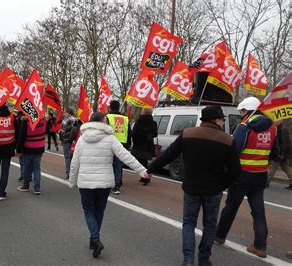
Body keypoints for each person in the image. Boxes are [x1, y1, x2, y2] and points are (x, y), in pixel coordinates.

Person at [146, 106, 241, 266]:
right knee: (210, 224)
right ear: (215, 120)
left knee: (189, 223)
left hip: (191, 188)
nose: (223, 121)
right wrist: (222, 184)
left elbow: (169, 155)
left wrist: (150, 169)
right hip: (213, 190)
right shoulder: (227, 140)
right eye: (222, 119)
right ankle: (204, 258)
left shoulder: (188, 134)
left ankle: (188, 259)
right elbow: (235, 171)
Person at [69, 112, 150, 258]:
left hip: (86, 182)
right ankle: (94, 239)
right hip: (104, 182)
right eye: (106, 121)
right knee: (99, 211)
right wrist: (142, 170)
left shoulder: (81, 139)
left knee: (88, 211)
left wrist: (72, 181)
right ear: (102, 122)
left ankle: (95, 239)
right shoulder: (110, 138)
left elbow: (75, 163)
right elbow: (126, 155)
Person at [215, 97, 279, 258]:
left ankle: (220, 236)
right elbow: (275, 153)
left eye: (242, 111)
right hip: (260, 176)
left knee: (230, 208)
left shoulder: (244, 127)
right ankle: (260, 246)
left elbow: (234, 150)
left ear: (247, 111)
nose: (241, 114)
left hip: (241, 175)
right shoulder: (273, 129)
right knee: (258, 212)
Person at [106, 100, 132, 195]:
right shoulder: (125, 118)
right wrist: (128, 144)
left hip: (110, 143)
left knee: (108, 164)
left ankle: (110, 183)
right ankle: (117, 185)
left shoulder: (107, 117)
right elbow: (129, 132)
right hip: (122, 144)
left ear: (110, 107)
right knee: (118, 165)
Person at [16, 115, 47, 195]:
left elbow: (21, 137)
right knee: (37, 168)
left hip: (28, 147)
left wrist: (18, 149)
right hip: (40, 147)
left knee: (27, 167)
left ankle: (26, 185)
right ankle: (37, 188)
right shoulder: (43, 121)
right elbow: (47, 131)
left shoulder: (26, 122)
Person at [267, 120, 292, 189]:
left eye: (276, 122)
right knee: (286, 168)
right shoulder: (280, 129)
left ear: (279, 122)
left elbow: (284, 144)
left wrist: (281, 155)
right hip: (283, 153)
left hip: (280, 153)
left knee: (273, 168)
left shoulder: (281, 130)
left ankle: (267, 182)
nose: (274, 123)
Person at [61, 108, 78, 179]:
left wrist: (61, 134)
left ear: (68, 113)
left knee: (67, 158)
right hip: (74, 140)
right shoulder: (76, 119)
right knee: (74, 158)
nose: (64, 113)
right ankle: (75, 174)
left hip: (67, 139)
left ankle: (68, 174)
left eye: (65, 112)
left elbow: (63, 129)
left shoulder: (66, 119)